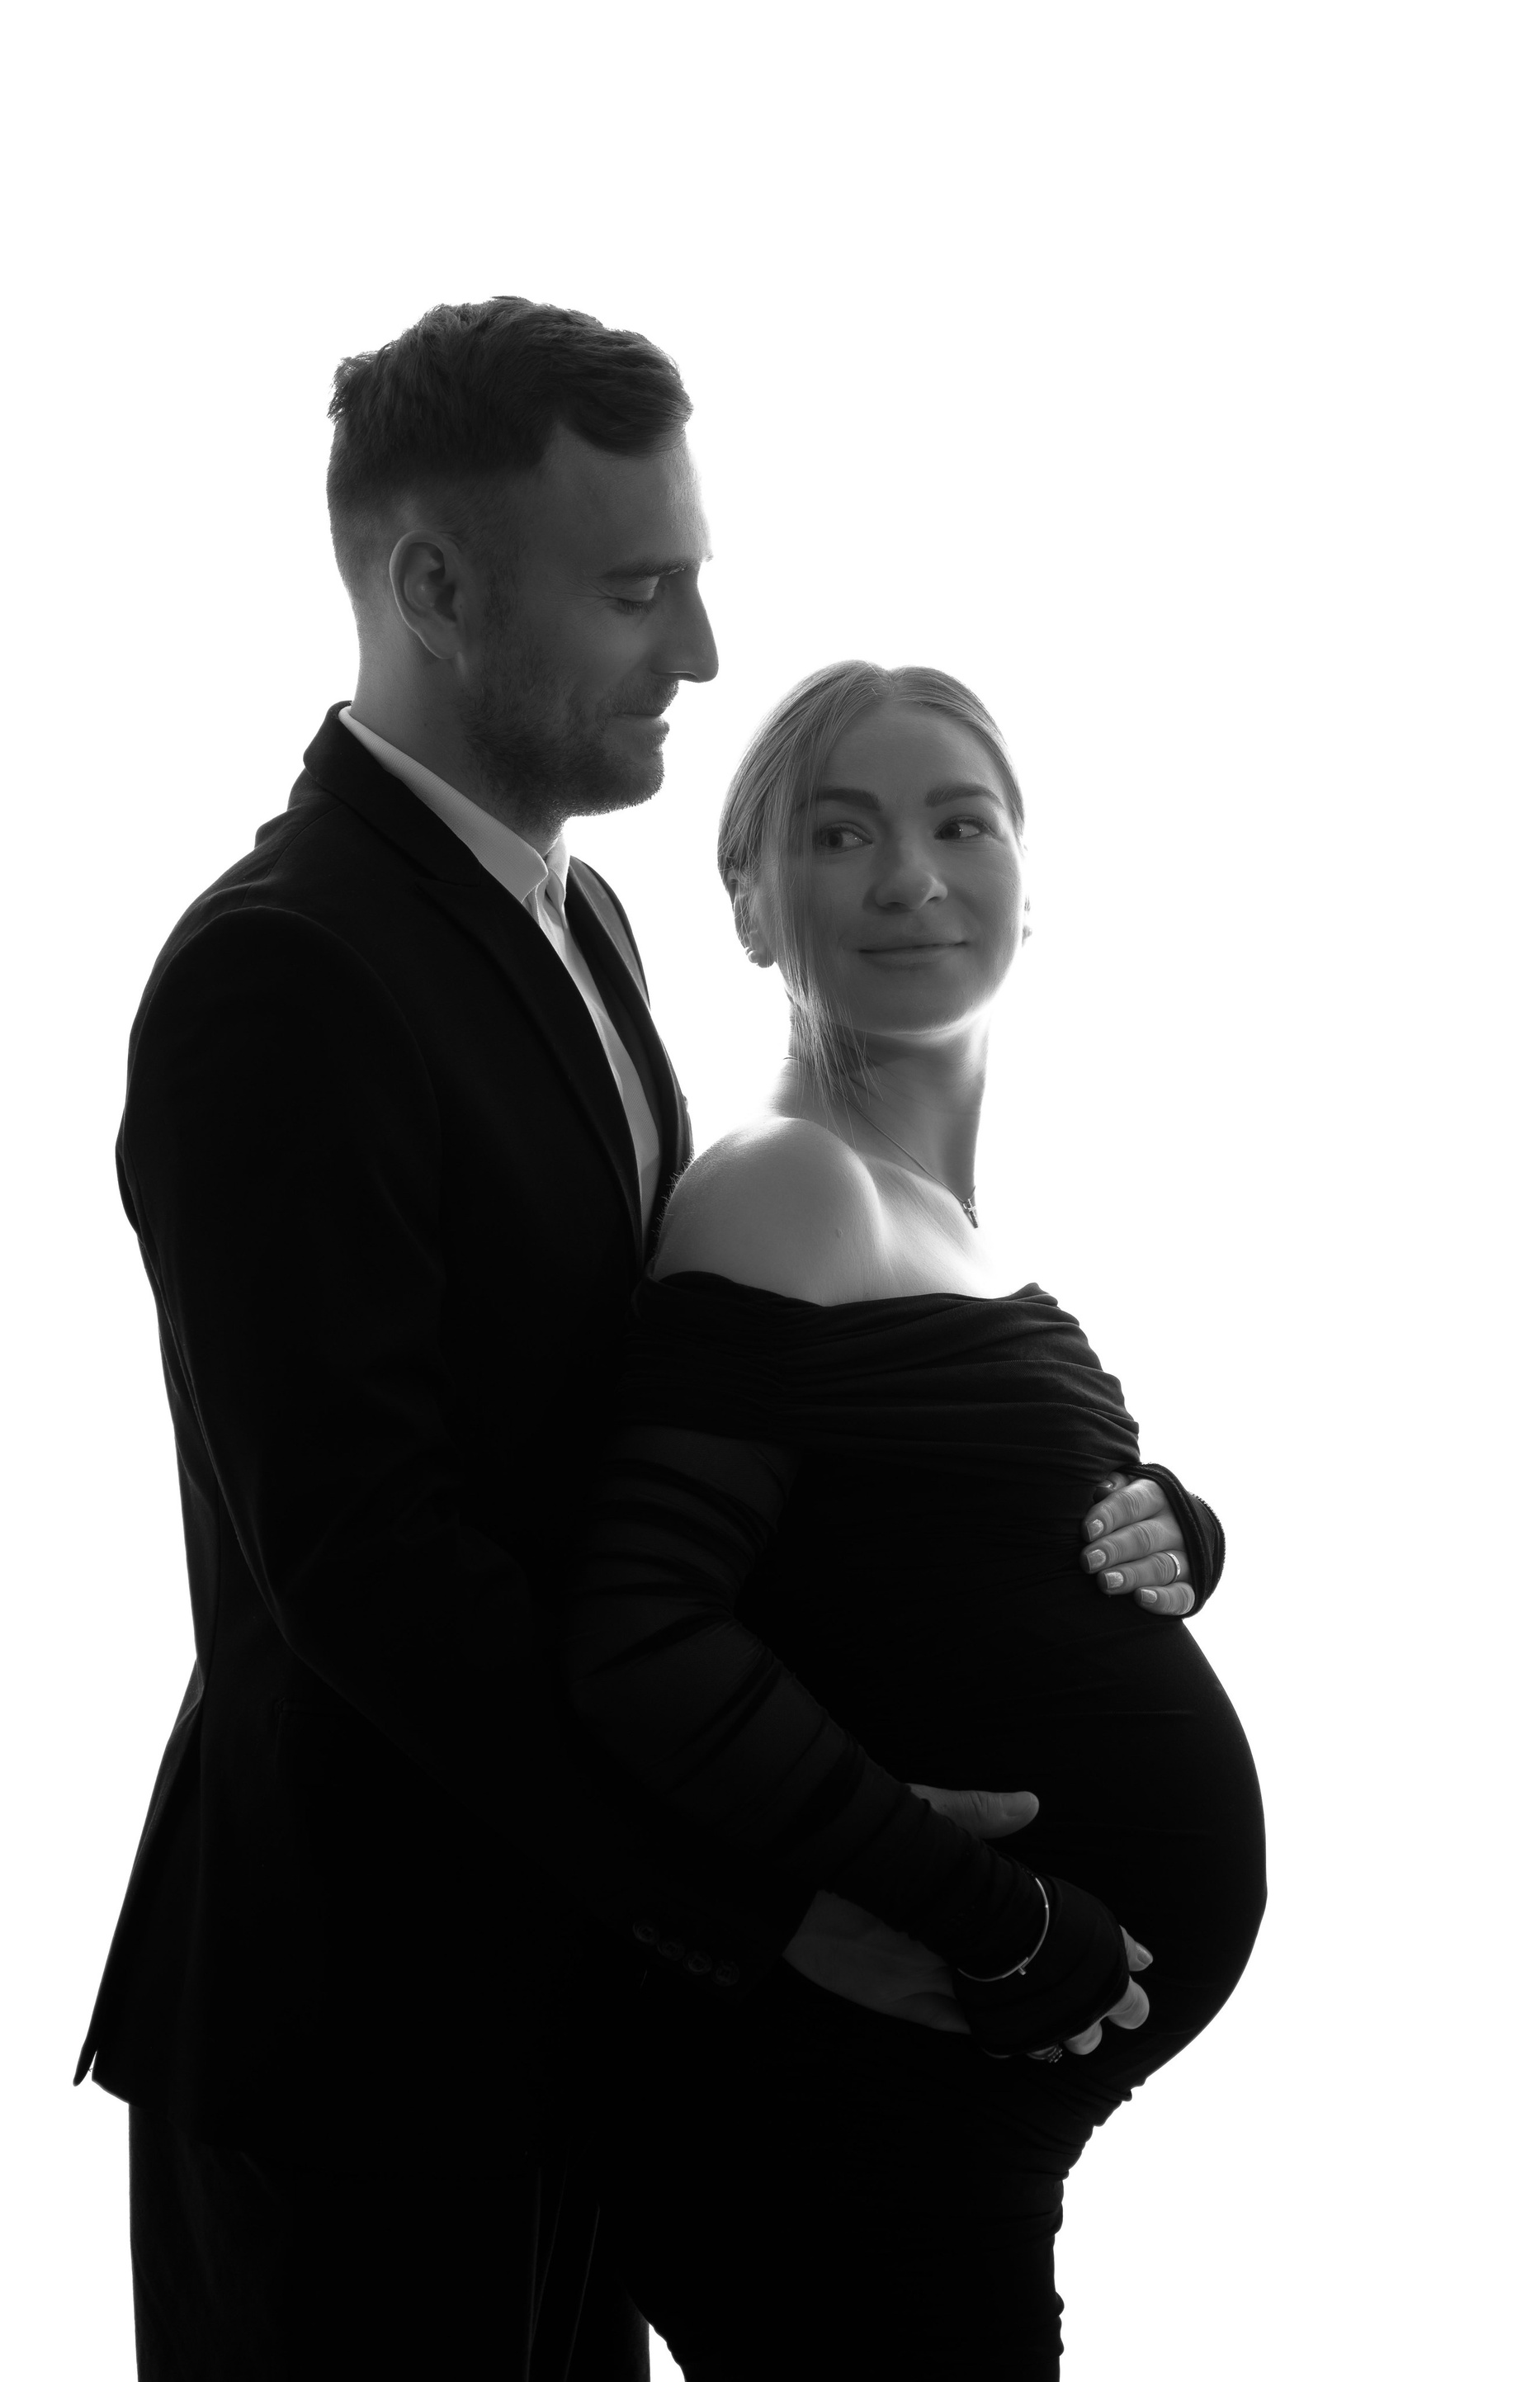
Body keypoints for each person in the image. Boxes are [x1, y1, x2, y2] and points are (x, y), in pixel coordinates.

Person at [73, 300, 1207, 2380]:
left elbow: (684, 1436)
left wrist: (1107, 1530)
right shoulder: (283, 973)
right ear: (436, 590)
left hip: (581, 2000)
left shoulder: (571, 920)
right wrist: (772, 1892)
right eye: (636, 590)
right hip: (365, 2035)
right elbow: (365, 1562)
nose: (698, 648)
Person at [561, 662, 1268, 2378]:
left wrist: (1171, 1529)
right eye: (840, 834)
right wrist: (985, 1915)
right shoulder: (787, 1185)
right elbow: (640, 1630)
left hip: (939, 2122)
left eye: (961, 825)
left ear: (1030, 878)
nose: (911, 879)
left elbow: (908, 1562)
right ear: (747, 902)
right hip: (844, 2120)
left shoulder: (920, 1219)